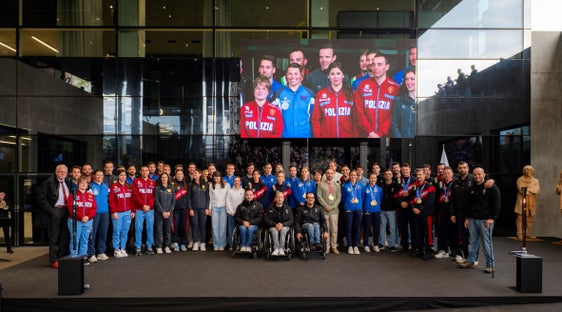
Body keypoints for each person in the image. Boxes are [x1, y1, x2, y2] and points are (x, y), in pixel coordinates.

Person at [459, 167, 501, 274]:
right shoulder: (471, 188)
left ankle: (490, 265)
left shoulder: (491, 187)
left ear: (484, 174)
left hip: (485, 221)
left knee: (487, 243)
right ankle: (471, 261)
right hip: (473, 220)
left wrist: (492, 218)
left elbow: (496, 203)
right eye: (475, 174)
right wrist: (467, 218)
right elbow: (468, 205)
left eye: (479, 174)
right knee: (472, 242)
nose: (477, 176)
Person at [354, 52, 401, 138]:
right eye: (373, 64)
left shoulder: (395, 87)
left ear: (387, 67)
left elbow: (393, 114)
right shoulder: (362, 85)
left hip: (386, 136)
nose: (376, 67)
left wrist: (379, 133)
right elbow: (359, 112)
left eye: (379, 64)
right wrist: (370, 132)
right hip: (366, 135)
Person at [37, 164, 72, 269]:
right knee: (54, 236)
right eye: (60, 172)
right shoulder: (48, 183)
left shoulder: (68, 182)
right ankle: (53, 260)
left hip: (67, 210)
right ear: (56, 172)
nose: (63, 174)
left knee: (64, 236)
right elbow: (41, 199)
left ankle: (61, 257)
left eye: (65, 172)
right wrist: (51, 210)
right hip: (55, 210)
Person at [311, 62, 356, 138]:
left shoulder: (352, 94)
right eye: (332, 74)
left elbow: (356, 120)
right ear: (328, 76)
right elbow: (315, 121)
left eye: (338, 73)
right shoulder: (321, 94)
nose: (335, 77)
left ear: (343, 75)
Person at [271, 63, 315, 138]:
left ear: (301, 76)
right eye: (290, 74)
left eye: (296, 74)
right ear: (286, 76)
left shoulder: (310, 94)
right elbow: (272, 118)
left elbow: (314, 118)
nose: (293, 77)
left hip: (305, 137)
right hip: (284, 137)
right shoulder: (278, 94)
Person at [66, 176, 97, 260]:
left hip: (88, 221)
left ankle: (83, 257)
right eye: (81, 183)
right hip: (75, 221)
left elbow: (94, 208)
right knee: (75, 240)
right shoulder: (73, 195)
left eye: (85, 183)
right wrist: (81, 217)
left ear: (87, 185)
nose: (83, 184)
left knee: (85, 240)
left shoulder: (90, 195)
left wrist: (88, 217)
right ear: (78, 184)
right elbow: (71, 208)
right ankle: (74, 257)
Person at [410, 168, 436, 260]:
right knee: (418, 233)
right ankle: (420, 251)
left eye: (420, 175)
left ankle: (429, 252)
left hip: (426, 214)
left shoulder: (430, 186)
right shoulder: (414, 186)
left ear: (425, 175)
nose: (418, 176)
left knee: (428, 233)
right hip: (416, 214)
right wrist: (413, 208)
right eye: (417, 175)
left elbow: (430, 201)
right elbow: (411, 198)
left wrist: (420, 209)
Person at [132, 165, 157, 256]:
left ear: (148, 172)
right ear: (140, 172)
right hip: (139, 209)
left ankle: (149, 246)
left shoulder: (153, 182)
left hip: (150, 210)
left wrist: (149, 205)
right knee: (138, 228)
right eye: (143, 170)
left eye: (146, 170)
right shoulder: (136, 181)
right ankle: (138, 247)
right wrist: (143, 205)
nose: (145, 172)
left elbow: (154, 196)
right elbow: (135, 195)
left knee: (149, 228)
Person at [108, 169, 133, 258]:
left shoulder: (129, 186)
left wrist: (132, 211)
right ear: (118, 176)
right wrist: (113, 211)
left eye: (124, 175)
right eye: (121, 175)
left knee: (125, 232)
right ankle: (116, 249)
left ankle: (123, 248)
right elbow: (111, 201)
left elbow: (132, 200)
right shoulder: (113, 186)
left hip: (127, 212)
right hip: (117, 213)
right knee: (116, 231)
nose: (123, 177)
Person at [316, 168, 341, 254]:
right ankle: (327, 247)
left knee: (334, 230)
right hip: (324, 210)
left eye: (331, 173)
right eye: (328, 173)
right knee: (326, 230)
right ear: (325, 175)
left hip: (334, 211)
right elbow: (319, 197)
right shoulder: (320, 185)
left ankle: (334, 247)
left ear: (333, 174)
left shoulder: (337, 185)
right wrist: (326, 206)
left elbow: (339, 197)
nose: (330, 175)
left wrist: (333, 206)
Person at [87, 170, 110, 263]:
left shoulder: (106, 186)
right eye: (98, 175)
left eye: (101, 175)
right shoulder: (91, 186)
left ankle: (101, 252)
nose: (100, 176)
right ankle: (91, 253)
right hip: (94, 213)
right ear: (94, 176)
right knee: (93, 234)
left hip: (105, 212)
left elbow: (108, 198)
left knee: (103, 233)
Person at [514, 165, 540, 240]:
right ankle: (519, 233)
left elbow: (537, 190)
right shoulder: (520, 180)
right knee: (520, 217)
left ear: (532, 171)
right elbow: (522, 191)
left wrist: (528, 190)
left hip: (531, 201)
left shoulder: (535, 181)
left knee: (529, 218)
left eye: (530, 170)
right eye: (527, 170)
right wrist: (531, 190)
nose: (528, 172)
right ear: (524, 171)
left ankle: (527, 233)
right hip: (522, 200)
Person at [434, 166, 455, 259]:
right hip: (442, 212)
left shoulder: (456, 184)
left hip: (453, 213)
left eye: (448, 173)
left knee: (454, 232)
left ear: (452, 174)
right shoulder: (439, 184)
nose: (446, 175)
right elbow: (436, 198)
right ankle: (443, 250)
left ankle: (456, 252)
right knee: (442, 232)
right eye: (445, 173)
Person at [264, 191, 294, 256]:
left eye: (281, 197)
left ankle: (281, 249)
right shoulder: (270, 208)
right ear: (275, 198)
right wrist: (275, 224)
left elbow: (291, 220)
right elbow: (266, 220)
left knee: (283, 230)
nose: (279, 199)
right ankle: (276, 249)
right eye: (278, 197)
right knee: (274, 230)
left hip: (284, 226)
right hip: (273, 226)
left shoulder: (288, 208)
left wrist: (282, 224)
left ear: (283, 199)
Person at [341, 170, 364, 255]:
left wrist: (359, 205)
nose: (353, 177)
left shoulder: (361, 186)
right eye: (352, 175)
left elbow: (362, 197)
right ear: (349, 176)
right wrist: (347, 205)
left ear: (357, 176)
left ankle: (355, 246)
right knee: (349, 228)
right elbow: (343, 199)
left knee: (357, 228)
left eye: (355, 175)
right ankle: (350, 246)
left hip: (358, 209)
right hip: (348, 209)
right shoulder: (345, 186)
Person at [188, 169, 210, 251]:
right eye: (193, 173)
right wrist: (190, 209)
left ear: (200, 174)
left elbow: (208, 197)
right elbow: (189, 198)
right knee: (195, 226)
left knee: (203, 226)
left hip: (203, 209)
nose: (194, 174)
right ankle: (196, 243)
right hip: (194, 209)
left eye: (196, 173)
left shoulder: (205, 184)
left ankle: (203, 243)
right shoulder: (191, 185)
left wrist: (207, 208)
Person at [154, 172, 175, 254]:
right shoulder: (157, 188)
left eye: (165, 177)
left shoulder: (171, 188)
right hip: (160, 213)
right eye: (162, 177)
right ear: (161, 179)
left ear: (168, 178)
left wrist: (169, 211)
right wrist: (162, 212)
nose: (164, 179)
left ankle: (167, 246)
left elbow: (173, 201)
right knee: (159, 230)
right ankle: (159, 246)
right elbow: (156, 201)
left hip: (169, 213)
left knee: (167, 230)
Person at [391, 69, 416, 138]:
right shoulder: (398, 101)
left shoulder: (424, 103)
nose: (409, 82)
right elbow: (394, 125)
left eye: (412, 79)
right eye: (406, 79)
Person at [395, 163, 414, 252]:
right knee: (403, 227)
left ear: (410, 169)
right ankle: (404, 245)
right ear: (401, 171)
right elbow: (395, 194)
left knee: (414, 226)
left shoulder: (414, 180)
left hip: (411, 207)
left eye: (406, 169)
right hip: (401, 207)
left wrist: (408, 202)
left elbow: (416, 194)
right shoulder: (398, 180)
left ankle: (414, 245)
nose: (405, 171)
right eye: (403, 170)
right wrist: (401, 202)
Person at [209, 171, 230, 251]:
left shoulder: (227, 185)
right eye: (214, 177)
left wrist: (228, 209)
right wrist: (210, 208)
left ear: (221, 177)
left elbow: (228, 198)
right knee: (215, 226)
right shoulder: (211, 185)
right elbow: (210, 198)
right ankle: (216, 244)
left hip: (223, 207)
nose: (216, 178)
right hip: (214, 207)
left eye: (217, 177)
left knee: (222, 227)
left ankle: (222, 244)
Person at [362, 173, 383, 253]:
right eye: (371, 178)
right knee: (367, 228)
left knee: (376, 228)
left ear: (376, 179)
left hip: (376, 210)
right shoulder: (365, 189)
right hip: (367, 210)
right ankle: (366, 244)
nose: (373, 180)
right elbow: (363, 199)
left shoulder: (379, 189)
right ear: (369, 179)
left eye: (374, 178)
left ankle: (375, 244)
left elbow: (380, 199)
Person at [379, 170, 399, 251]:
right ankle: (381, 243)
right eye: (386, 174)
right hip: (382, 209)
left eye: (389, 174)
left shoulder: (395, 185)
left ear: (392, 175)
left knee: (392, 227)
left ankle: (392, 244)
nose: (388, 175)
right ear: (384, 176)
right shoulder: (381, 185)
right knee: (382, 227)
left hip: (392, 210)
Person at [171, 169, 189, 251]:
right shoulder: (172, 184)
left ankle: (183, 243)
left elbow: (188, 197)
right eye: (178, 174)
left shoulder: (186, 185)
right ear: (175, 175)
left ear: (183, 175)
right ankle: (175, 243)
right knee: (175, 226)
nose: (179, 175)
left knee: (183, 227)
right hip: (175, 210)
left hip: (184, 209)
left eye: (181, 174)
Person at [226, 176, 244, 251]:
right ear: (233, 182)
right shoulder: (230, 191)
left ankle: (239, 244)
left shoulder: (243, 191)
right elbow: (228, 202)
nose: (237, 182)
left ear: (240, 182)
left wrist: (239, 213)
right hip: (231, 213)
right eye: (235, 181)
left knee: (240, 229)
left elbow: (244, 203)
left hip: (240, 214)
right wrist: (232, 212)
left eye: (238, 181)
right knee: (231, 229)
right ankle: (231, 245)